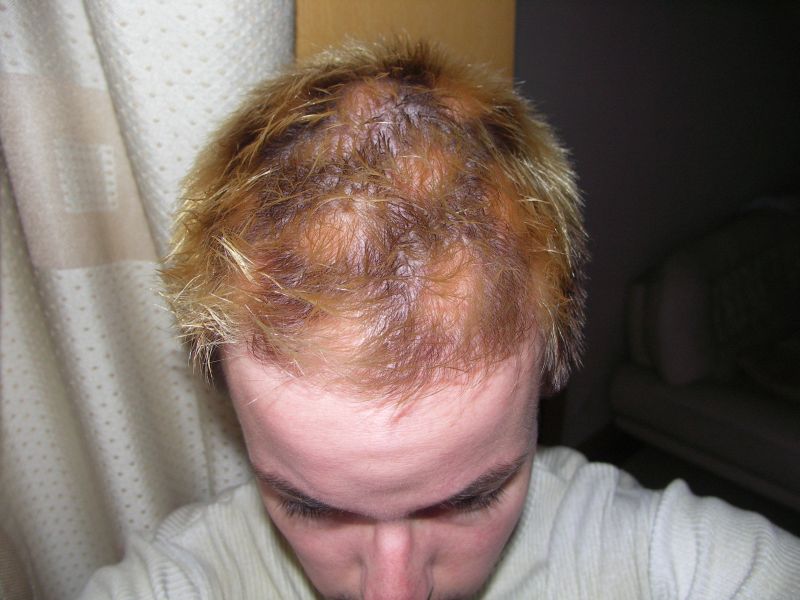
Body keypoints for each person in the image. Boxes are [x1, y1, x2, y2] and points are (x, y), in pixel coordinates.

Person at [79, 38, 799, 599]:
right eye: (312, 507)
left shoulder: (686, 566)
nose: (396, 590)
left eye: (470, 498)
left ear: (551, 375)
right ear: (227, 399)